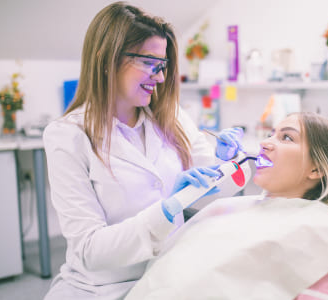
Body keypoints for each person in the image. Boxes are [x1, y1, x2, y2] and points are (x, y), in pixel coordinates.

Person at [42, 2, 247, 299]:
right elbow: (89, 250)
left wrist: (226, 163)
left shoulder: (170, 117)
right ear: (107, 59)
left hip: (169, 273)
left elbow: (220, 188)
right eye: (149, 63)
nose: (161, 77)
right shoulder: (68, 136)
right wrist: (165, 211)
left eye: (162, 66)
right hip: (102, 288)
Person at [125, 112, 328, 300]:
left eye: (287, 138)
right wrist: (171, 206)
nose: (265, 143)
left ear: (317, 168)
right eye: (271, 134)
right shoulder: (230, 207)